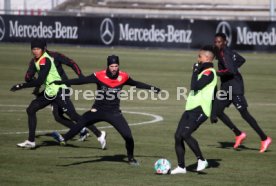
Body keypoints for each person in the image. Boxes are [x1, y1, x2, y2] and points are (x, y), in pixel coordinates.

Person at [51, 55, 160, 165]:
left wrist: (153, 88)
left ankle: (131, 158)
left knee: (128, 137)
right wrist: (61, 82)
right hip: (98, 110)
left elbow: (136, 84)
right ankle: (64, 139)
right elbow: (82, 81)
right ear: (108, 66)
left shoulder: (124, 77)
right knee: (82, 121)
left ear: (118, 66)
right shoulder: (99, 75)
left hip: (114, 113)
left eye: (116, 66)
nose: (114, 68)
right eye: (112, 66)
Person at [9, 40, 99, 149]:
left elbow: (71, 62)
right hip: (50, 90)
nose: (35, 51)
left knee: (71, 114)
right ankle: (81, 129)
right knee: (57, 116)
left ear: (44, 48)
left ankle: (94, 132)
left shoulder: (54, 56)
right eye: (34, 49)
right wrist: (30, 81)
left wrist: (81, 76)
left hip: (62, 88)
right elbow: (34, 77)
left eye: (38, 48)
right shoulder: (35, 61)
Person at [212, 33, 272, 153]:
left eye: (220, 42)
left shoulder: (227, 53)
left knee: (245, 115)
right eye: (216, 42)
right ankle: (238, 134)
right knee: (217, 111)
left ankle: (264, 138)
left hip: (235, 89)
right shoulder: (225, 52)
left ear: (225, 42)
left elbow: (230, 71)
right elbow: (241, 60)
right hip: (226, 88)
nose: (217, 44)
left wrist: (218, 73)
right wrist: (231, 68)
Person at [171, 46, 217, 174]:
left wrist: (195, 71)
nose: (197, 58)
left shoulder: (209, 72)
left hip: (200, 110)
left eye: (200, 56)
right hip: (190, 108)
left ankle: (201, 159)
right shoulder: (204, 71)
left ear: (207, 58)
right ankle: (181, 167)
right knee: (178, 136)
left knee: (185, 134)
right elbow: (214, 93)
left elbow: (195, 86)